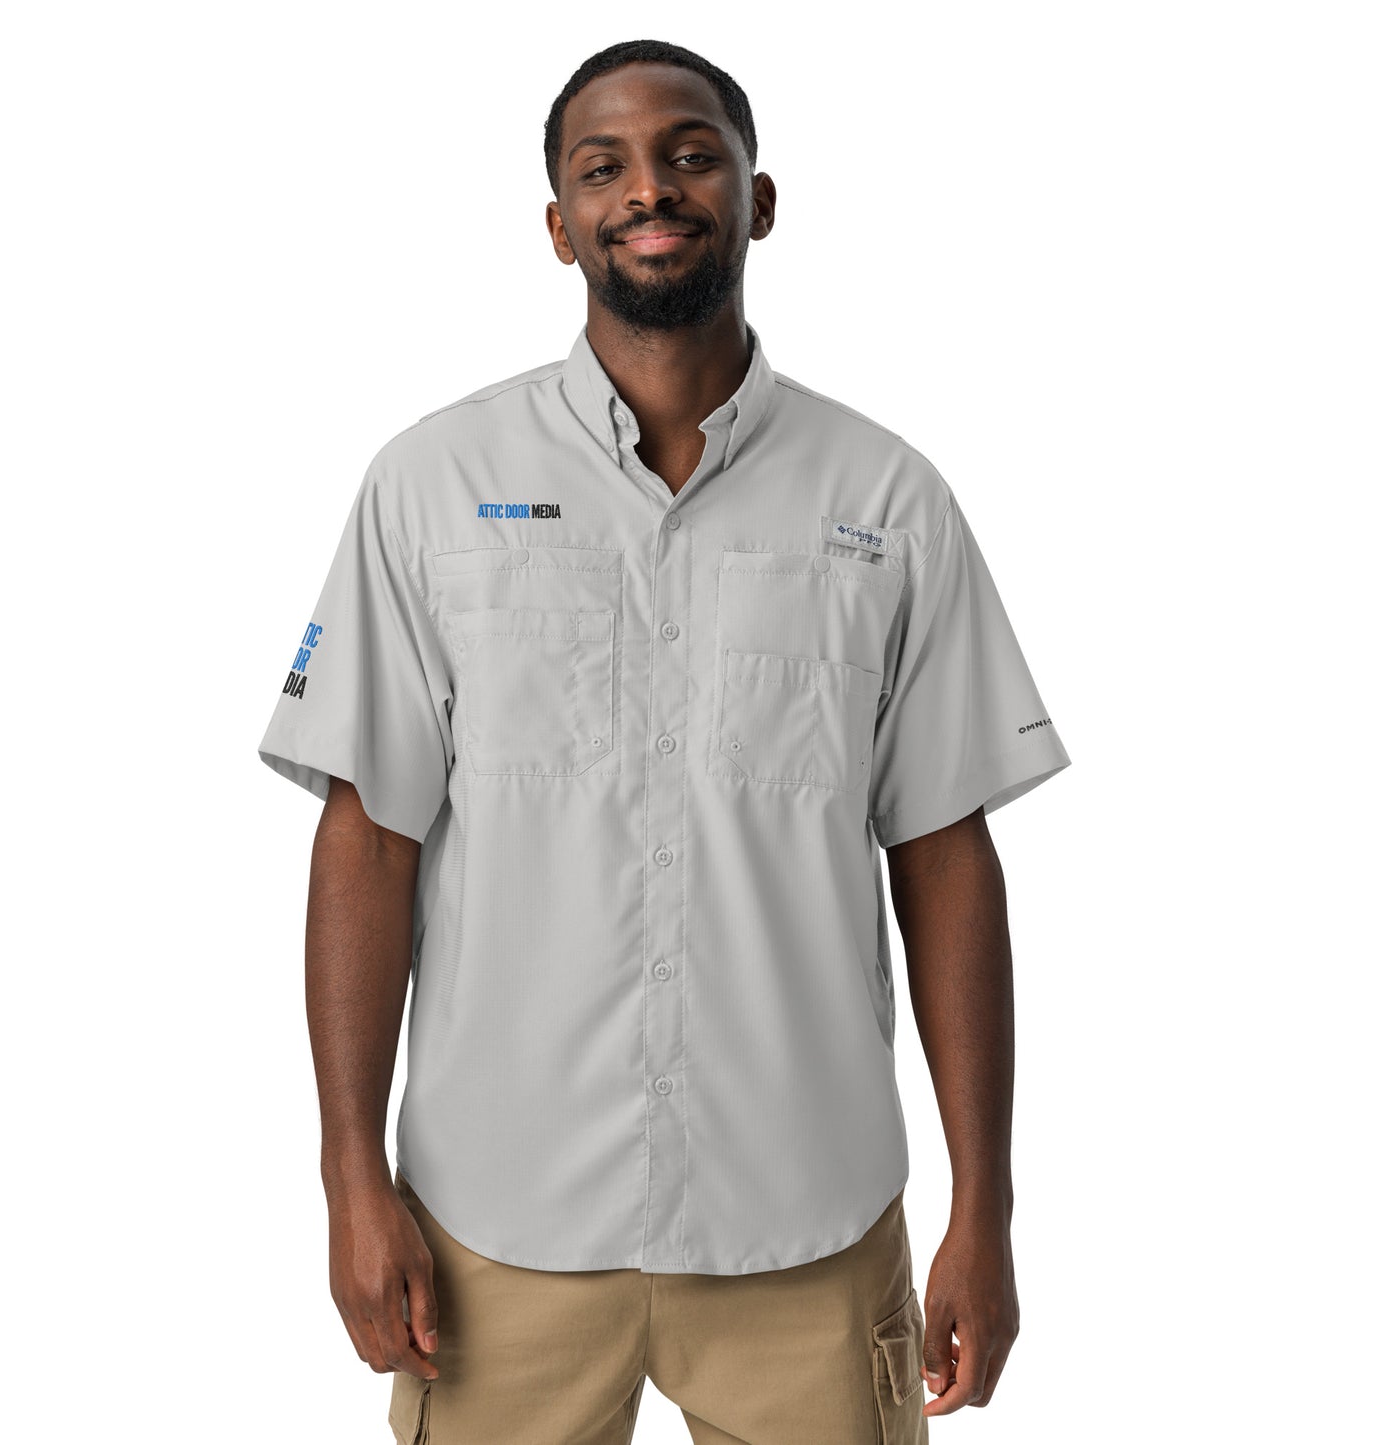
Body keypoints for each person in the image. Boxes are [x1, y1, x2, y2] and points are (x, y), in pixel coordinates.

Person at [256, 37, 1071, 1445]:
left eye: (691, 155)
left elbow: (944, 857)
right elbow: (369, 838)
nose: (649, 189)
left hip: (805, 1226)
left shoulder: (888, 499)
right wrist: (347, 1176)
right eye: (604, 168)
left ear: (759, 199)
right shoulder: (430, 486)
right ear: (558, 223)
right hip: (496, 1231)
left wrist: (984, 1210)